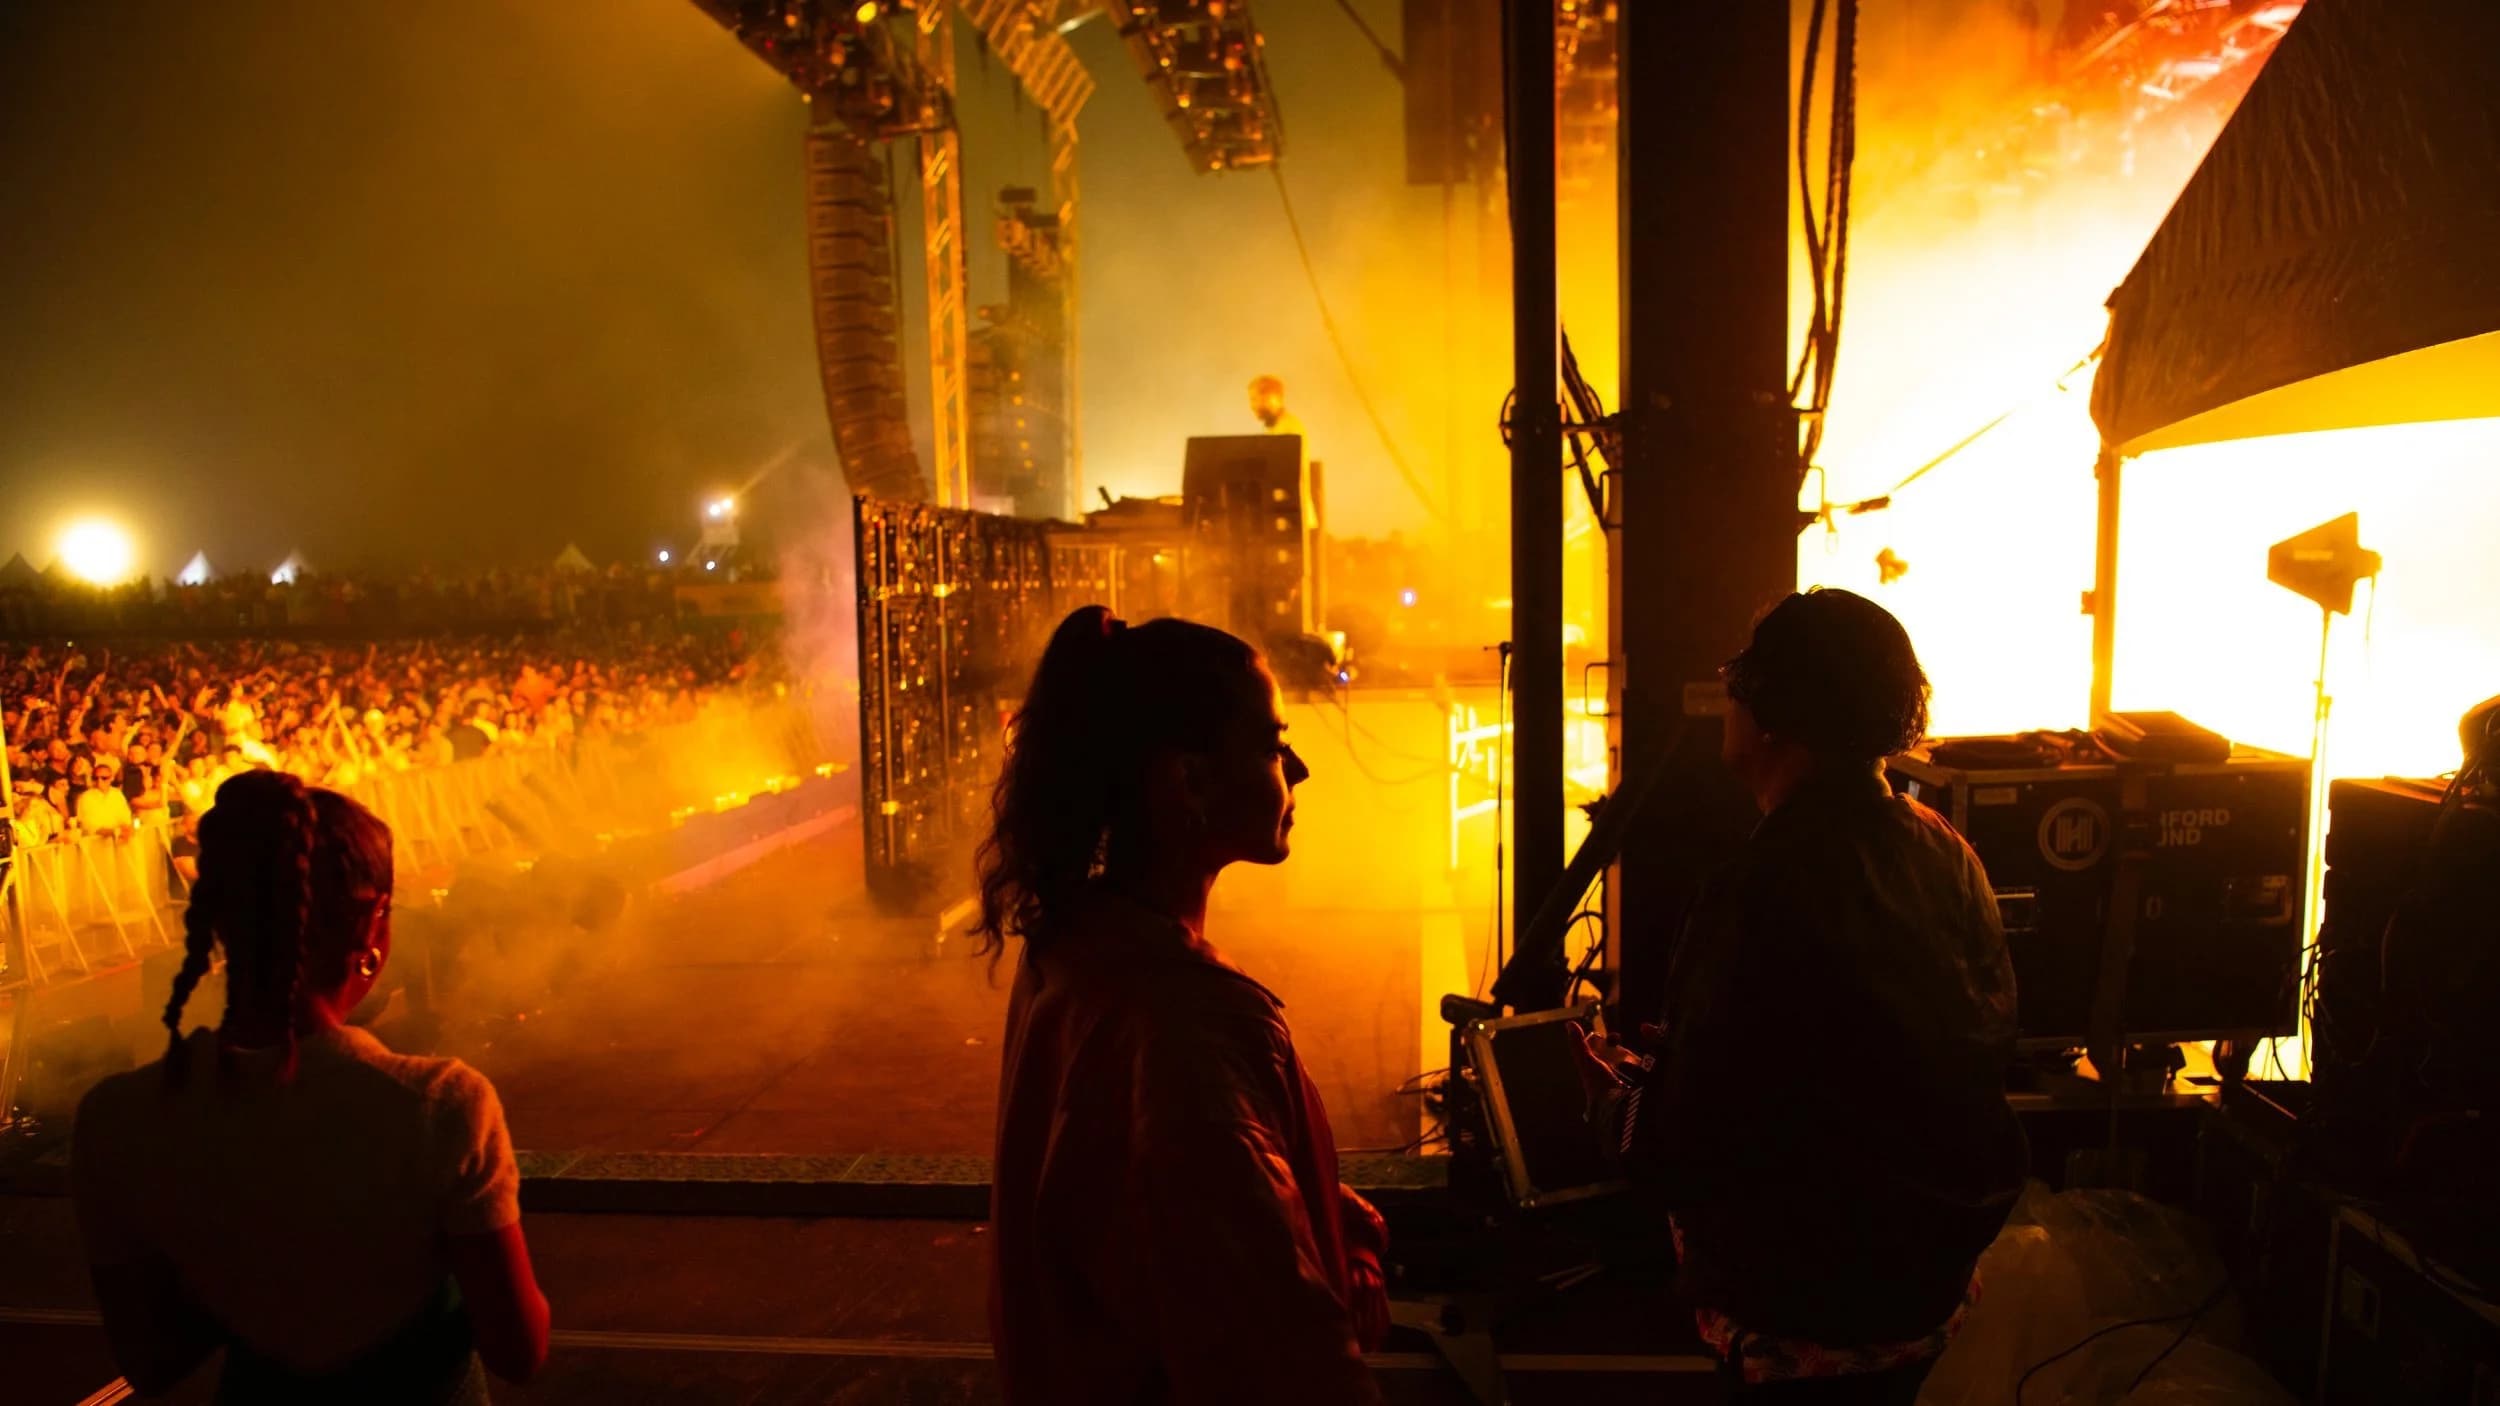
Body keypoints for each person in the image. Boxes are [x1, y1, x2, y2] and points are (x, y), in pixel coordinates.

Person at [1589, 589, 2025, 1403]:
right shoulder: (1947, 851)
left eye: (1737, 684)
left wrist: (1616, 1101)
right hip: (1928, 1284)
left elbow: (1680, 1150)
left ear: (1769, 717)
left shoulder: (1758, 886)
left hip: (1808, 1308)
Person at [982, 606, 1388, 1405]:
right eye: (1271, 746)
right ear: (1190, 782)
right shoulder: (1192, 1022)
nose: (1299, 768)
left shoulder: (1074, 949)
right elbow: (1277, 1351)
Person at [71, 770, 549, 1402]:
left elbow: (151, 1360)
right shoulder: (440, 1105)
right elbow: (519, 1348)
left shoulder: (116, 1118)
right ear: (373, 928)